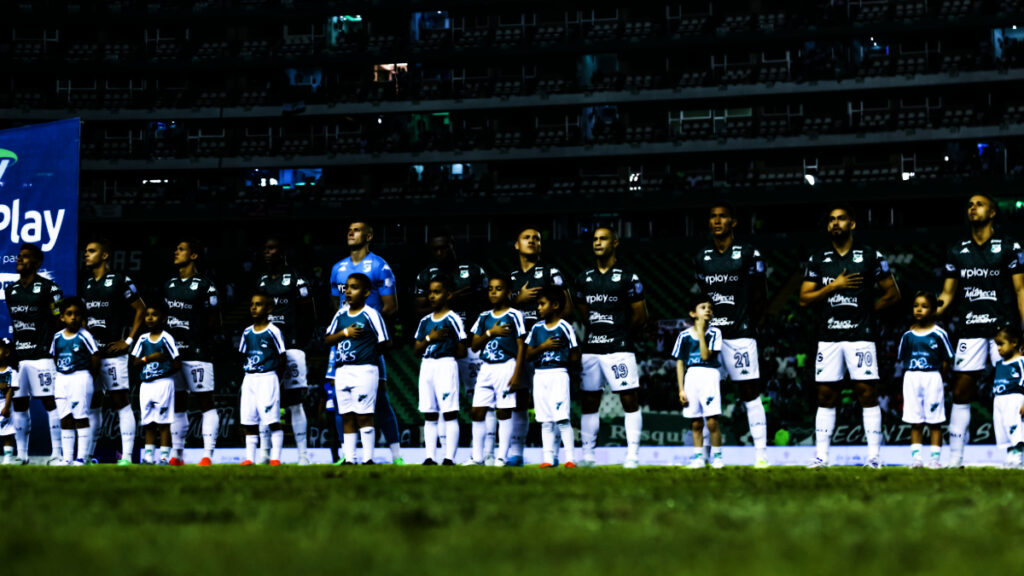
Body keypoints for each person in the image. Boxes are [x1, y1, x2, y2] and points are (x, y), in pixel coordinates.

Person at [799, 206, 901, 468]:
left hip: (861, 336)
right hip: (829, 336)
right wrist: (834, 286)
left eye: (841, 219)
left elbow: (893, 293)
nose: (835, 223)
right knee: (825, 395)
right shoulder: (818, 258)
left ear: (852, 224)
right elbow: (804, 298)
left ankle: (874, 457)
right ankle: (821, 457)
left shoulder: (870, 255)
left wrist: (868, 311)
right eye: (831, 220)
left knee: (867, 394)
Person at [936, 194, 1024, 468]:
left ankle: (1016, 453)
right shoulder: (957, 250)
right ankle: (955, 457)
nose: (972, 207)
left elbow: (1021, 289)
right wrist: (930, 311)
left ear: (993, 212)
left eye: (979, 204)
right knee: (961, 392)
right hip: (970, 329)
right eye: (970, 204)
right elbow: (948, 295)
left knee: (1012, 391)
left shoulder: (1009, 247)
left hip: (1004, 331)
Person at [694, 202, 770, 467]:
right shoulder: (702, 257)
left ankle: (761, 455)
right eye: (713, 217)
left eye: (722, 217)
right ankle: (702, 455)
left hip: (740, 335)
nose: (717, 221)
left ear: (733, 222)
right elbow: (701, 297)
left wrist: (751, 322)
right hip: (712, 337)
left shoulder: (749, 253)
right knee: (706, 395)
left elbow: (761, 294)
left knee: (750, 392)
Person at [412, 229, 490, 464]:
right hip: (440, 352)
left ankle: (485, 454)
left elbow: (489, 301)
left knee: (480, 399)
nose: (440, 252)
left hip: (470, 345)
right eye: (435, 249)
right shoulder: (425, 276)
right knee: (438, 407)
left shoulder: (474, 271)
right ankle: (445, 456)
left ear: (452, 245)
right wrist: (451, 300)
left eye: (444, 247)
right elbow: (418, 310)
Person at [329, 221, 403, 464]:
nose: (351, 232)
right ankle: (346, 455)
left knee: (380, 399)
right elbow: (335, 308)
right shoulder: (337, 268)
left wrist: (368, 331)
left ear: (369, 236)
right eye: (349, 229)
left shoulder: (380, 266)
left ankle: (396, 455)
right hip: (343, 343)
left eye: (357, 229)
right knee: (340, 401)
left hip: (368, 344)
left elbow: (390, 307)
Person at [575, 227, 647, 468]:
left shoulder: (628, 277)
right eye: (595, 239)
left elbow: (640, 315)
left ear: (615, 243)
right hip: (592, 349)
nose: (597, 242)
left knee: (629, 400)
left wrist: (621, 335)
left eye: (603, 238)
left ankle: (633, 455)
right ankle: (587, 455)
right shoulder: (583, 278)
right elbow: (584, 314)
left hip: (619, 348)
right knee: (589, 401)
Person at [507, 227, 570, 466]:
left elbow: (568, 309)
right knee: (520, 401)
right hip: (519, 349)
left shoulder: (551, 273)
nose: (532, 241)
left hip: (546, 349)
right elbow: (499, 308)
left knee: (551, 404)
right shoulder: (511, 278)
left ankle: (552, 456)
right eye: (526, 238)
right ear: (516, 245)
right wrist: (517, 299)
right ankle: (517, 453)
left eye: (536, 238)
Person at [81, 239, 145, 465]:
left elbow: (141, 309)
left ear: (105, 255)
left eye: (92, 251)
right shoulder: (87, 284)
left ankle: (126, 457)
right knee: (93, 403)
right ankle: (87, 456)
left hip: (114, 353)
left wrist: (128, 340)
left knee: (120, 401)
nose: (86, 255)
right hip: (93, 355)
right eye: (86, 251)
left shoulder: (120, 280)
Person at [257, 237, 315, 465]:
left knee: (294, 401)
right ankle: (264, 454)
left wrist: (299, 341)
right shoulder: (261, 281)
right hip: (266, 351)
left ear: (282, 253)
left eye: (272, 248)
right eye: (265, 249)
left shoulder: (297, 279)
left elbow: (309, 314)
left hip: (291, 348)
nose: (267, 252)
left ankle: (302, 455)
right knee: (266, 402)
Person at [163, 239, 221, 466]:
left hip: (198, 353)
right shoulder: (169, 285)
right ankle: (177, 455)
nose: (176, 252)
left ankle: (207, 455)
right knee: (178, 403)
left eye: (181, 249)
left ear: (194, 255)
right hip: (175, 355)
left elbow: (215, 321)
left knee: (206, 402)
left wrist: (198, 337)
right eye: (175, 248)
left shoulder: (206, 285)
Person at [7, 243, 64, 464]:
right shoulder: (10, 291)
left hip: (42, 357)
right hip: (20, 359)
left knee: (51, 402)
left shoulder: (51, 289)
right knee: (19, 403)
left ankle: (57, 454)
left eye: (26, 257)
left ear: (37, 263)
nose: (20, 260)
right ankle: (22, 455)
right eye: (19, 256)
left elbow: (59, 321)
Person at [324, 273, 390, 465]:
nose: (348, 292)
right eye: (347, 288)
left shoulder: (371, 314)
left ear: (367, 292)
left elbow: (385, 342)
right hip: (342, 370)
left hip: (364, 370)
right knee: (346, 416)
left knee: (364, 415)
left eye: (354, 287)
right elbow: (328, 338)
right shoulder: (340, 315)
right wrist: (345, 333)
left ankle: (368, 458)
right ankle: (350, 459)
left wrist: (368, 353)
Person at [469, 276, 527, 466]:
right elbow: (475, 346)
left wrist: (517, 374)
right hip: (486, 367)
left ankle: (501, 456)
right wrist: (490, 333)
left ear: (509, 292)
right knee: (477, 411)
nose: (493, 292)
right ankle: (478, 457)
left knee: (504, 411)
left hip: (506, 366)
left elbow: (521, 346)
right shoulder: (483, 317)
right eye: (491, 289)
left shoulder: (514, 315)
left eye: (499, 288)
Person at [413, 276, 467, 465]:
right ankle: (429, 457)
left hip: (445, 364)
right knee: (429, 413)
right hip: (427, 366)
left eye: (437, 292)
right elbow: (417, 349)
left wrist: (445, 348)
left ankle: (449, 457)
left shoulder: (453, 319)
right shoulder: (425, 321)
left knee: (449, 412)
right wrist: (431, 338)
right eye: (430, 292)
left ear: (448, 295)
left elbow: (462, 349)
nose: (432, 296)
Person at [897, 292, 953, 468]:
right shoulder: (907, 336)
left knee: (935, 421)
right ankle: (917, 460)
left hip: (932, 378)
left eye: (924, 306)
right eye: (916, 306)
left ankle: (934, 460)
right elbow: (903, 357)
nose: (919, 309)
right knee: (916, 421)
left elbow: (947, 359)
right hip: (912, 378)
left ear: (934, 310)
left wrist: (939, 377)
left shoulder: (939, 334)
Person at [525, 286, 579, 468]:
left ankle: (570, 458)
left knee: (562, 418)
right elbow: (527, 354)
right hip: (540, 376)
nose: (538, 308)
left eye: (542, 304)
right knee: (545, 421)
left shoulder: (565, 327)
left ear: (555, 305)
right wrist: (543, 347)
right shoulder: (536, 328)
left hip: (558, 374)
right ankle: (548, 459)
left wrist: (571, 372)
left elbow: (574, 353)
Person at [673, 296, 725, 469]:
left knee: (712, 421)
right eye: (703, 307)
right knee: (696, 422)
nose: (708, 309)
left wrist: (701, 333)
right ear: (693, 313)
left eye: (710, 307)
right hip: (692, 376)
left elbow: (705, 356)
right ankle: (699, 458)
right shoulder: (684, 336)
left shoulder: (715, 333)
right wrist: (681, 389)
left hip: (710, 375)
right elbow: (680, 363)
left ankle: (717, 457)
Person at [238, 293, 287, 466]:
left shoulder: (274, 331)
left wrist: (274, 377)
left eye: (258, 304)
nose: (253, 307)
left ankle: (275, 458)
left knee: (272, 419)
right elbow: (242, 355)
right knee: (249, 420)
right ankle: (250, 458)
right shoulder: (246, 332)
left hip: (268, 378)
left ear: (269, 309)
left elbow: (282, 357)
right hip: (250, 378)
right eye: (252, 304)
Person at [50, 297, 100, 466]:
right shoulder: (57, 337)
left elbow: (95, 359)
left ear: (82, 317)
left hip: (80, 377)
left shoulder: (85, 336)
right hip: (62, 379)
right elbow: (55, 357)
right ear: (62, 317)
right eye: (69, 314)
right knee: (65, 418)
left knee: (81, 417)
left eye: (77, 314)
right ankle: (67, 458)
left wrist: (87, 376)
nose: (73, 317)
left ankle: (82, 458)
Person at [130, 302, 180, 466]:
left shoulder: (167, 338)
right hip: (146, 385)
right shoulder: (143, 339)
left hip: (163, 384)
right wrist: (149, 358)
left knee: (163, 423)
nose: (150, 318)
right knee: (148, 422)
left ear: (163, 318)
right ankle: (149, 457)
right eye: (147, 315)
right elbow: (135, 362)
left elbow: (177, 363)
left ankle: (164, 458)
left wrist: (163, 370)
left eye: (154, 314)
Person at [992, 325, 1024, 468]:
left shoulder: (1021, 362)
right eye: (997, 345)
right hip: (999, 400)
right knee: (1003, 429)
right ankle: (1010, 457)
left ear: (1014, 342)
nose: (998, 348)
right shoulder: (999, 364)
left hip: (1015, 399)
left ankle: (1018, 456)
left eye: (1001, 344)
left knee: (1015, 428)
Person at [0, 338, 18, 465]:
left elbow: (10, 391)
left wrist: (6, 407)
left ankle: (7, 459)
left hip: (4, 404)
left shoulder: (12, 371)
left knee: (7, 433)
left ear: (6, 353)